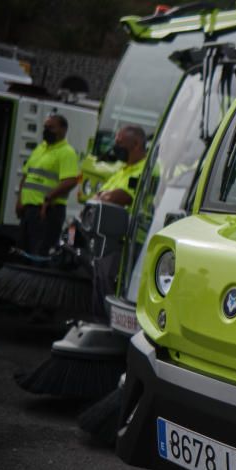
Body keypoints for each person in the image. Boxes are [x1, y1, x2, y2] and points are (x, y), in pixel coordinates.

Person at [91, 124, 147, 323]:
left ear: (136, 144)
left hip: (130, 240)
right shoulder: (123, 170)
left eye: (120, 143)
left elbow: (121, 196)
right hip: (110, 238)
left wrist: (104, 196)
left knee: (111, 284)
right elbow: (100, 194)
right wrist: (104, 196)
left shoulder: (146, 168)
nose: (116, 147)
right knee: (100, 279)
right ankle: (100, 323)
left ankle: (109, 324)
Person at [16, 114, 79, 255]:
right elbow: (27, 176)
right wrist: (20, 200)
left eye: (51, 128)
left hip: (48, 211)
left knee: (38, 254)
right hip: (29, 210)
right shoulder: (41, 148)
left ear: (63, 130)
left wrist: (48, 198)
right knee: (22, 252)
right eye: (45, 127)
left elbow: (71, 181)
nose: (46, 130)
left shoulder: (67, 152)